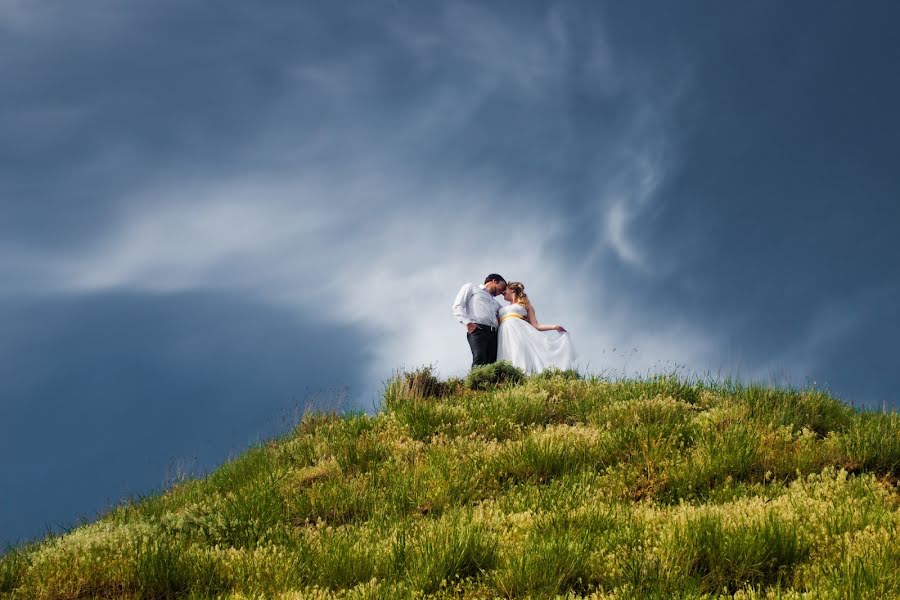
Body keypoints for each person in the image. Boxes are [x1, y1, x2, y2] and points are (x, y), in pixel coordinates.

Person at [497, 281, 576, 373]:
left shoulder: (526, 306)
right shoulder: (501, 308)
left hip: (519, 334)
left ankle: (522, 375)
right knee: (507, 354)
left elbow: (536, 325)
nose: (502, 294)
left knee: (518, 353)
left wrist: (555, 326)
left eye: (504, 291)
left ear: (513, 290)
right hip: (504, 334)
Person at [452, 274, 507, 368]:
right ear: (494, 280)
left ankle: (490, 383)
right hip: (478, 330)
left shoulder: (496, 304)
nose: (502, 292)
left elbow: (507, 314)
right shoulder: (472, 287)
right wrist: (468, 324)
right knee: (479, 360)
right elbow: (457, 306)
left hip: (494, 334)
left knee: (492, 365)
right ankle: (476, 382)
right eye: (502, 287)